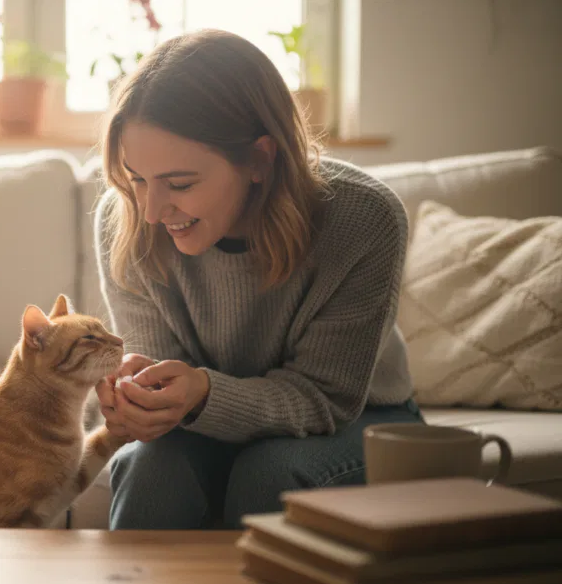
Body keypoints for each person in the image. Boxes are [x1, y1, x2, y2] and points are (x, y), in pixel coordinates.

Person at [92, 28, 425, 531]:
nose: (152, 210)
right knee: (149, 470)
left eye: (180, 184)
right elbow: (162, 383)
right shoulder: (128, 223)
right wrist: (141, 405)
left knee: (268, 474)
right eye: (136, 178)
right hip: (203, 422)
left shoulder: (364, 220)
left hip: (362, 419)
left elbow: (326, 398)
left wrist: (202, 394)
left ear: (259, 159)